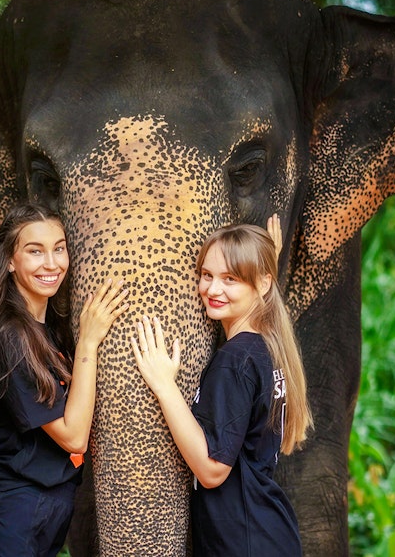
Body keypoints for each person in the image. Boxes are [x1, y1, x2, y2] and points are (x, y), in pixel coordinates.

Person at [0, 202, 128, 557]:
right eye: (35, 251)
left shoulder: (48, 333)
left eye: (59, 248)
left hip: (42, 517)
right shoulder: (9, 338)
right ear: (10, 261)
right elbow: (73, 437)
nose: (51, 263)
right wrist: (90, 341)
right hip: (7, 519)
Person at [130, 215, 312, 556]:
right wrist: (260, 262)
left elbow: (213, 469)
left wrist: (164, 386)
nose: (212, 289)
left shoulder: (236, 359)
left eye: (230, 278)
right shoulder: (268, 349)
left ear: (262, 284)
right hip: (266, 532)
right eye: (206, 275)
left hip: (242, 542)